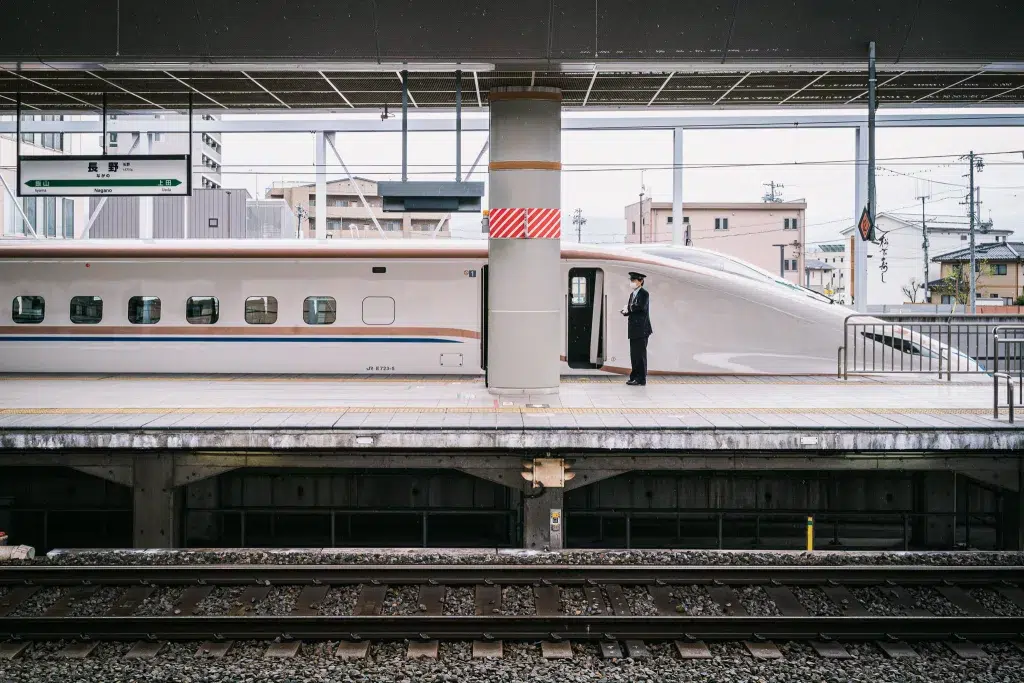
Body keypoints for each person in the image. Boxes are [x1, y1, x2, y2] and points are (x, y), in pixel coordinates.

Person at [620, 271, 652, 385]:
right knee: (634, 354)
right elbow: (633, 309)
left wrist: (629, 308)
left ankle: (641, 379)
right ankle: (634, 377)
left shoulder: (644, 294)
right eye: (631, 280)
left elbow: (641, 307)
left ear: (641, 281)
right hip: (633, 329)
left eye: (634, 280)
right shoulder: (632, 294)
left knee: (640, 355)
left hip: (642, 329)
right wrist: (625, 312)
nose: (632, 282)